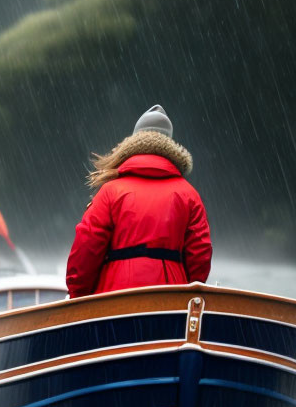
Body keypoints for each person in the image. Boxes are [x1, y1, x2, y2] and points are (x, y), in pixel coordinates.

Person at [66, 105, 211, 298]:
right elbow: (200, 258)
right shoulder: (189, 195)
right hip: (171, 301)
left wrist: (78, 294)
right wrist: (187, 294)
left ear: (134, 142)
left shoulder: (111, 191)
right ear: (169, 144)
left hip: (113, 300)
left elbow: (86, 249)